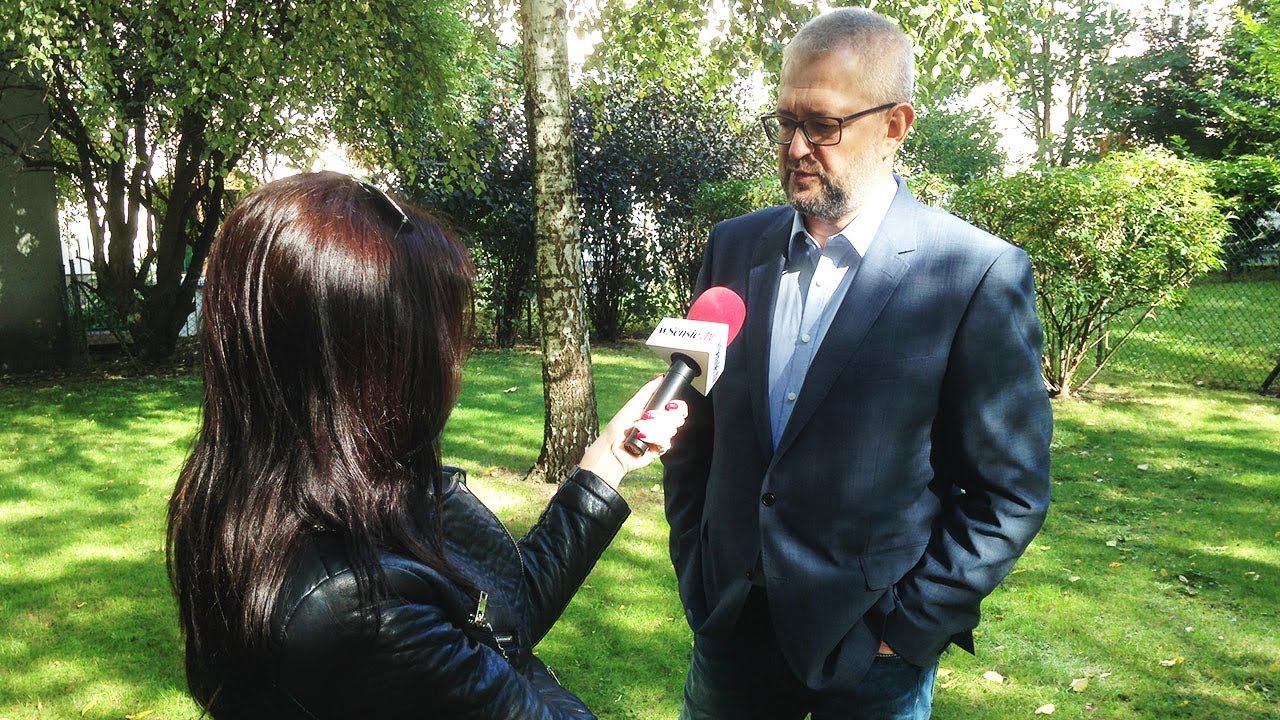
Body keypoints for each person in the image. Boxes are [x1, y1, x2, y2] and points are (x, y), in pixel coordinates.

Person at [166, 171, 687, 719]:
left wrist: (609, 459)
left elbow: (504, 622)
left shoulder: (293, 500)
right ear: (371, 363)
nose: (455, 362)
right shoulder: (365, 608)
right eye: (440, 336)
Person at [660, 8, 1054, 719]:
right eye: (785, 122)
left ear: (895, 125)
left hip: (873, 644)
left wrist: (912, 627)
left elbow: (1010, 489)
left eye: (822, 124)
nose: (796, 147)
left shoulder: (973, 274)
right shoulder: (734, 247)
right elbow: (694, 421)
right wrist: (695, 560)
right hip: (732, 622)